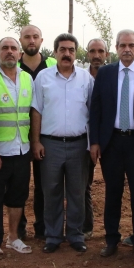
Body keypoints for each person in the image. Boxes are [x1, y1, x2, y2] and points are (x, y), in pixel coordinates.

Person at [90, 29, 134, 258]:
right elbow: (96, 110)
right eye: (123, 45)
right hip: (112, 143)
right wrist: (95, 142)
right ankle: (111, 239)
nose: (127, 49)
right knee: (113, 192)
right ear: (116, 48)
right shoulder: (106, 73)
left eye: (132, 46)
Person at [31, 33, 94, 253]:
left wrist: (91, 144)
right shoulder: (43, 78)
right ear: (55, 52)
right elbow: (36, 110)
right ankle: (53, 236)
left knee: (77, 192)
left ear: (76, 53)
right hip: (50, 145)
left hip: (79, 145)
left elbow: (93, 112)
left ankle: (76, 235)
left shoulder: (86, 79)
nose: (67, 54)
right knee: (52, 191)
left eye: (71, 50)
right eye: (63, 49)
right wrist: (36, 141)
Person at [0, 37, 32, 256]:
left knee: (18, 197)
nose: (9, 52)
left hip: (22, 149)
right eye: (5, 49)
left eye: (13, 48)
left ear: (19, 53)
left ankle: (13, 237)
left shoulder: (28, 78)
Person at [18, 25, 57, 240]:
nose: (31, 40)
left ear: (42, 40)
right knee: (20, 185)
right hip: (18, 138)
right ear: (20, 41)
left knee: (45, 185)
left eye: (35, 37)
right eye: (27, 37)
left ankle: (43, 227)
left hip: (47, 137)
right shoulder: (12, 65)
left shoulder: (52, 65)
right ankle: (20, 228)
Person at [83, 38, 110, 240]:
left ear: (107, 54)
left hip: (111, 140)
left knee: (113, 184)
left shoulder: (114, 76)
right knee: (84, 184)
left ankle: (111, 231)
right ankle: (86, 227)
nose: (96, 55)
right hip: (85, 140)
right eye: (92, 51)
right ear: (87, 54)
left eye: (100, 51)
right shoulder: (81, 78)